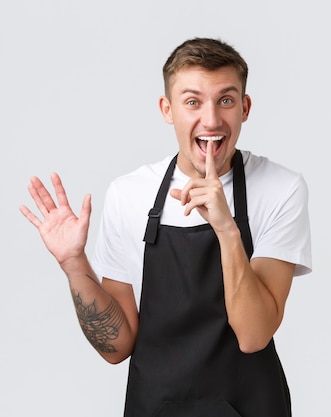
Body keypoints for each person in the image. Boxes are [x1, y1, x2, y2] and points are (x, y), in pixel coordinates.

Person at [20, 37, 312, 417]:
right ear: (167, 109)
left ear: (245, 107)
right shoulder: (129, 194)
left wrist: (227, 229)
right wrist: (74, 264)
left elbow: (254, 335)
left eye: (225, 100)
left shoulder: (280, 188)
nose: (210, 120)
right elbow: (117, 347)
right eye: (192, 102)